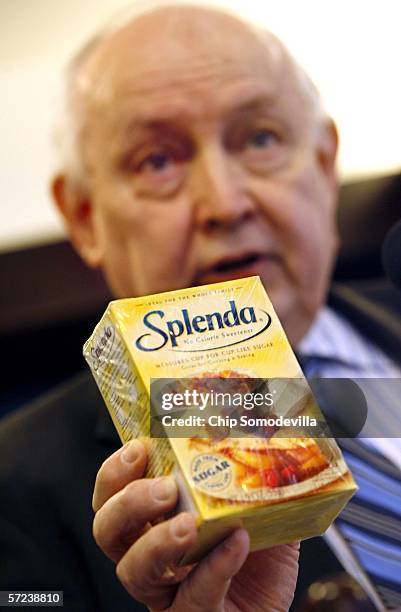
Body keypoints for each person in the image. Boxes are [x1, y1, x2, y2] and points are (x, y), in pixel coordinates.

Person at [1, 3, 400, 611]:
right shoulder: (16, 492)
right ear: (85, 218)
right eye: (157, 161)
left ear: (323, 165)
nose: (224, 202)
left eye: (261, 139)